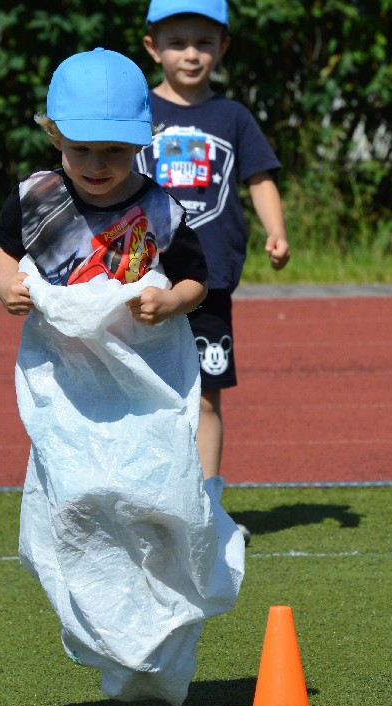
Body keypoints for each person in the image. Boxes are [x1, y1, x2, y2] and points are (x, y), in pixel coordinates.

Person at [0, 48, 244, 706]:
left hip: (142, 379)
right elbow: (7, 250)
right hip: (68, 379)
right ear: (55, 137)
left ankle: (156, 621)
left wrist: (171, 301)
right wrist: (5, 286)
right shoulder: (38, 197)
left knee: (146, 495)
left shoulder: (160, 208)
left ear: (141, 143)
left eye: (114, 151)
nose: (97, 165)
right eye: (81, 150)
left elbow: (196, 278)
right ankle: (100, 620)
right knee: (77, 492)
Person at [135, 0, 289, 523]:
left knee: (204, 399)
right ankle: (148, 504)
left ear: (222, 48)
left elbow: (259, 179)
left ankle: (206, 513)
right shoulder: (137, 115)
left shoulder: (233, 117)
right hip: (143, 279)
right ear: (152, 47)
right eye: (177, 42)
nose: (191, 54)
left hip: (211, 280)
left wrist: (276, 231)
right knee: (146, 398)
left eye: (204, 42)